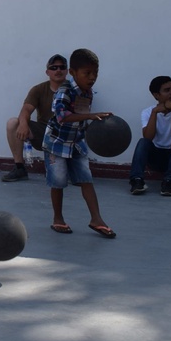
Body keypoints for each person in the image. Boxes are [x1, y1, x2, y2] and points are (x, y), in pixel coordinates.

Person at [43, 48, 115, 238]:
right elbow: (62, 116)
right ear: (73, 73)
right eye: (87, 73)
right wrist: (90, 115)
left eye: (95, 73)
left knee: (86, 179)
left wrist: (99, 123)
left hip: (76, 142)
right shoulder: (63, 91)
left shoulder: (88, 92)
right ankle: (58, 218)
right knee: (58, 182)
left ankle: (96, 219)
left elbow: (81, 116)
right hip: (56, 144)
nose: (92, 77)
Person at [1, 54, 68, 182]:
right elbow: (26, 109)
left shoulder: (74, 90)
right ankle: (19, 168)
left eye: (62, 67)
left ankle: (70, 168)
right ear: (47, 72)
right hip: (44, 132)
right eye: (54, 67)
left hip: (66, 134)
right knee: (13, 123)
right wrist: (23, 124)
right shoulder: (38, 89)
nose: (58, 70)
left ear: (67, 71)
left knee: (60, 176)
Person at [128, 76, 171, 196]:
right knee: (143, 141)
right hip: (158, 159)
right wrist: (155, 112)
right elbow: (148, 137)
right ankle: (136, 180)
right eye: (167, 90)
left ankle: (169, 182)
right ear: (156, 95)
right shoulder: (147, 112)